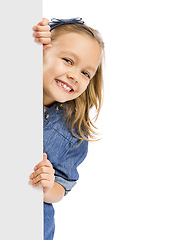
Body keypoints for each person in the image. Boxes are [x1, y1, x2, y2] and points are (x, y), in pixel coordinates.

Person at [29, 17, 105, 240]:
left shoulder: (74, 132)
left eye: (85, 73)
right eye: (68, 61)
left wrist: (48, 185)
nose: (75, 76)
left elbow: (61, 189)